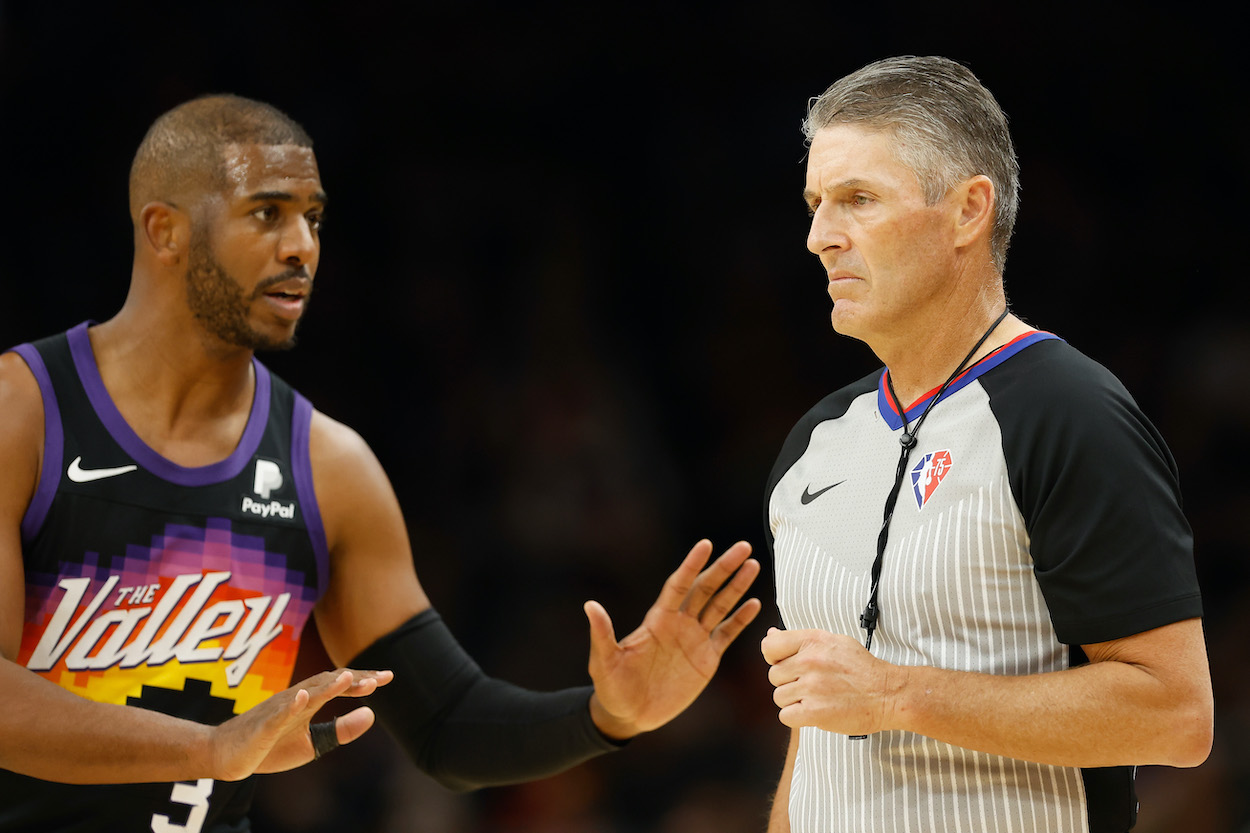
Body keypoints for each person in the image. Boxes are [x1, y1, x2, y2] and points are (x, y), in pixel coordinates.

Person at [0, 94, 762, 831]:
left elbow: (448, 724)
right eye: (267, 213)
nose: (301, 245)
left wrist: (607, 715)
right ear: (164, 230)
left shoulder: (328, 465)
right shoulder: (23, 411)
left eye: (314, 217)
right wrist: (211, 748)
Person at [759, 56, 1212, 833]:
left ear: (969, 210)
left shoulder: (1070, 413)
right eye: (815, 204)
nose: (818, 237)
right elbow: (816, 727)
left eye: (857, 200)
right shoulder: (814, 445)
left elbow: (1175, 712)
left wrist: (898, 694)